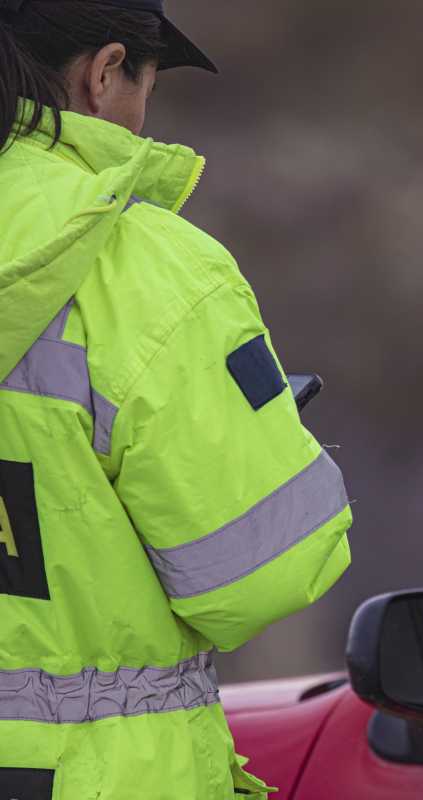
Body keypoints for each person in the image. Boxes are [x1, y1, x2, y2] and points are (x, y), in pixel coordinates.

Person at [0, 1, 352, 797]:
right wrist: (257, 447)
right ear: (102, 73)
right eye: (146, 86)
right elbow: (259, 577)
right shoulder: (149, 269)